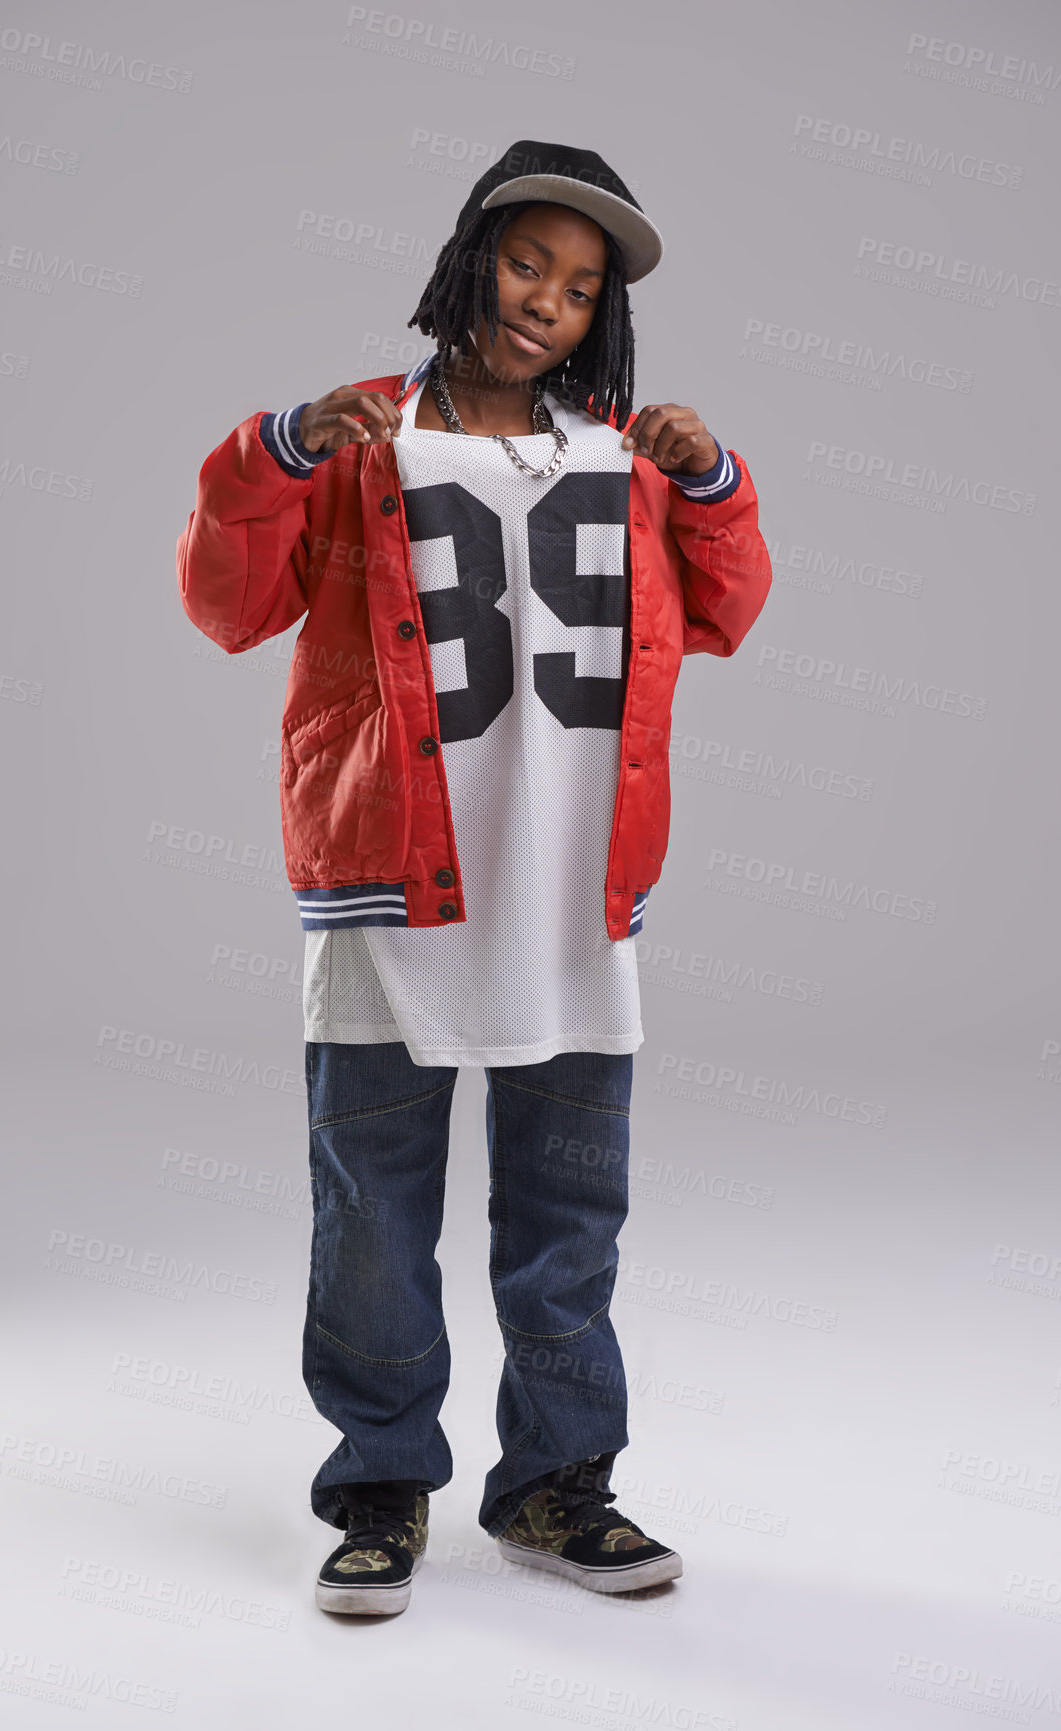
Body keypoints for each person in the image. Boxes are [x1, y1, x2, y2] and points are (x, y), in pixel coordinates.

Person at [177, 139, 772, 1618]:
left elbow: (726, 609)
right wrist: (273, 454)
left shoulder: (625, 453)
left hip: (571, 891)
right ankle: (381, 1483)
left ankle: (558, 1485)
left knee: (571, 1212)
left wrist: (712, 488)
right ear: (469, 255)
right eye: (528, 263)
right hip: (389, 882)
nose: (548, 305)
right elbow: (225, 604)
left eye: (582, 289)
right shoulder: (361, 436)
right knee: (371, 1209)